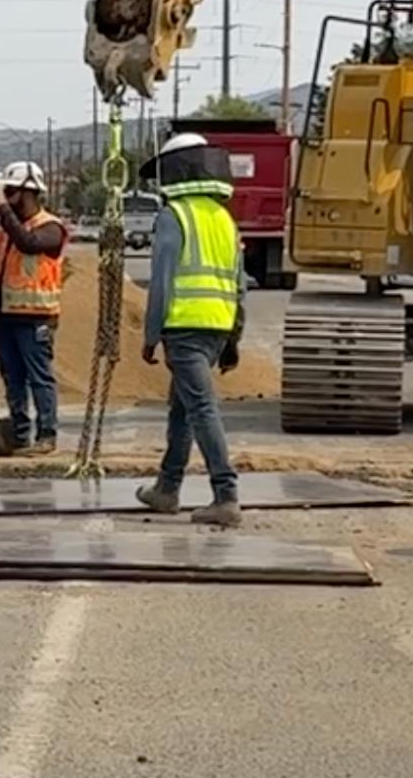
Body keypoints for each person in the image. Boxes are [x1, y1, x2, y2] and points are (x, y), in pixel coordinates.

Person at [133, 133, 247, 528]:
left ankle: (226, 494)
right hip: (216, 328)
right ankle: (167, 488)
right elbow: (239, 283)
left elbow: (161, 280)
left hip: (183, 328)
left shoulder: (174, 216)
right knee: (181, 410)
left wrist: (150, 335)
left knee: (200, 408)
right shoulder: (223, 218)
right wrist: (233, 339)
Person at [0, 161, 68, 454]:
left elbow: (28, 243)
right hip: (6, 315)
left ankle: (47, 434)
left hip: (37, 316)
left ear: (27, 192)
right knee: (12, 376)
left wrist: (3, 210)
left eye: (10, 190)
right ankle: (19, 432)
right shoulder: (5, 223)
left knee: (39, 376)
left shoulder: (50, 227)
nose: (6, 194)